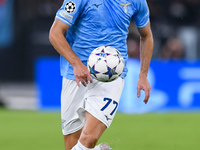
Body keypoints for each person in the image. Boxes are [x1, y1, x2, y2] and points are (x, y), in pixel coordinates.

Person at [49, 0, 153, 150]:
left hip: (111, 76)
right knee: (72, 146)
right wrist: (76, 64)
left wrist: (143, 74)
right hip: (76, 75)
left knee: (89, 139)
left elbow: (147, 35)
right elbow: (55, 33)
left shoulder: (137, 1)